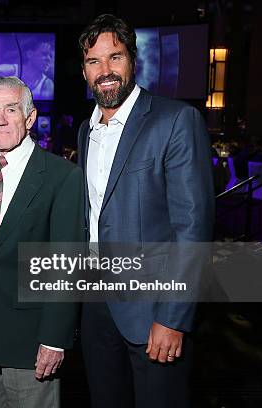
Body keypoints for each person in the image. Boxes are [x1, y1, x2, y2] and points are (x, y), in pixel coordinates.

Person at [76, 14, 214, 408]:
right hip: (97, 306)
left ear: (133, 61)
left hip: (154, 310)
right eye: (93, 62)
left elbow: (192, 228)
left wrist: (173, 317)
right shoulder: (87, 131)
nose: (105, 71)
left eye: (114, 58)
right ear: (84, 70)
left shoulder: (174, 120)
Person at [0, 76, 85, 407]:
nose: (1, 118)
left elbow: (67, 265)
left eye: (11, 109)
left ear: (30, 118)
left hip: (32, 340)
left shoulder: (62, 176)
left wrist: (55, 339)